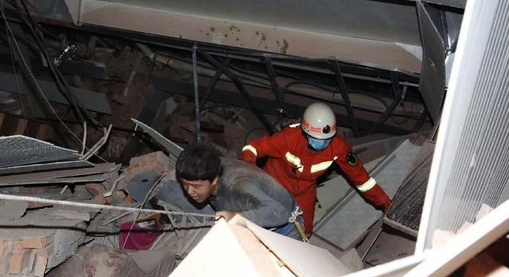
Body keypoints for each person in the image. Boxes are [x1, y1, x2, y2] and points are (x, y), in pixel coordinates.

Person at [241, 102, 391, 236]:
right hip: (275, 183)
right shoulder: (288, 139)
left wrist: (385, 203)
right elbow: (253, 148)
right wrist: (253, 175)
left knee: (305, 230)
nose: (322, 143)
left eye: (327, 139)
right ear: (305, 133)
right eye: (317, 139)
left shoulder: (338, 147)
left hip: (305, 191)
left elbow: (362, 179)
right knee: (262, 217)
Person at [158, 143, 306, 241]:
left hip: (285, 226)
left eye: (196, 186)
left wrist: (236, 216)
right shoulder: (209, 166)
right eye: (185, 184)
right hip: (256, 213)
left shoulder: (238, 186)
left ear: (214, 179)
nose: (189, 191)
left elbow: (279, 213)